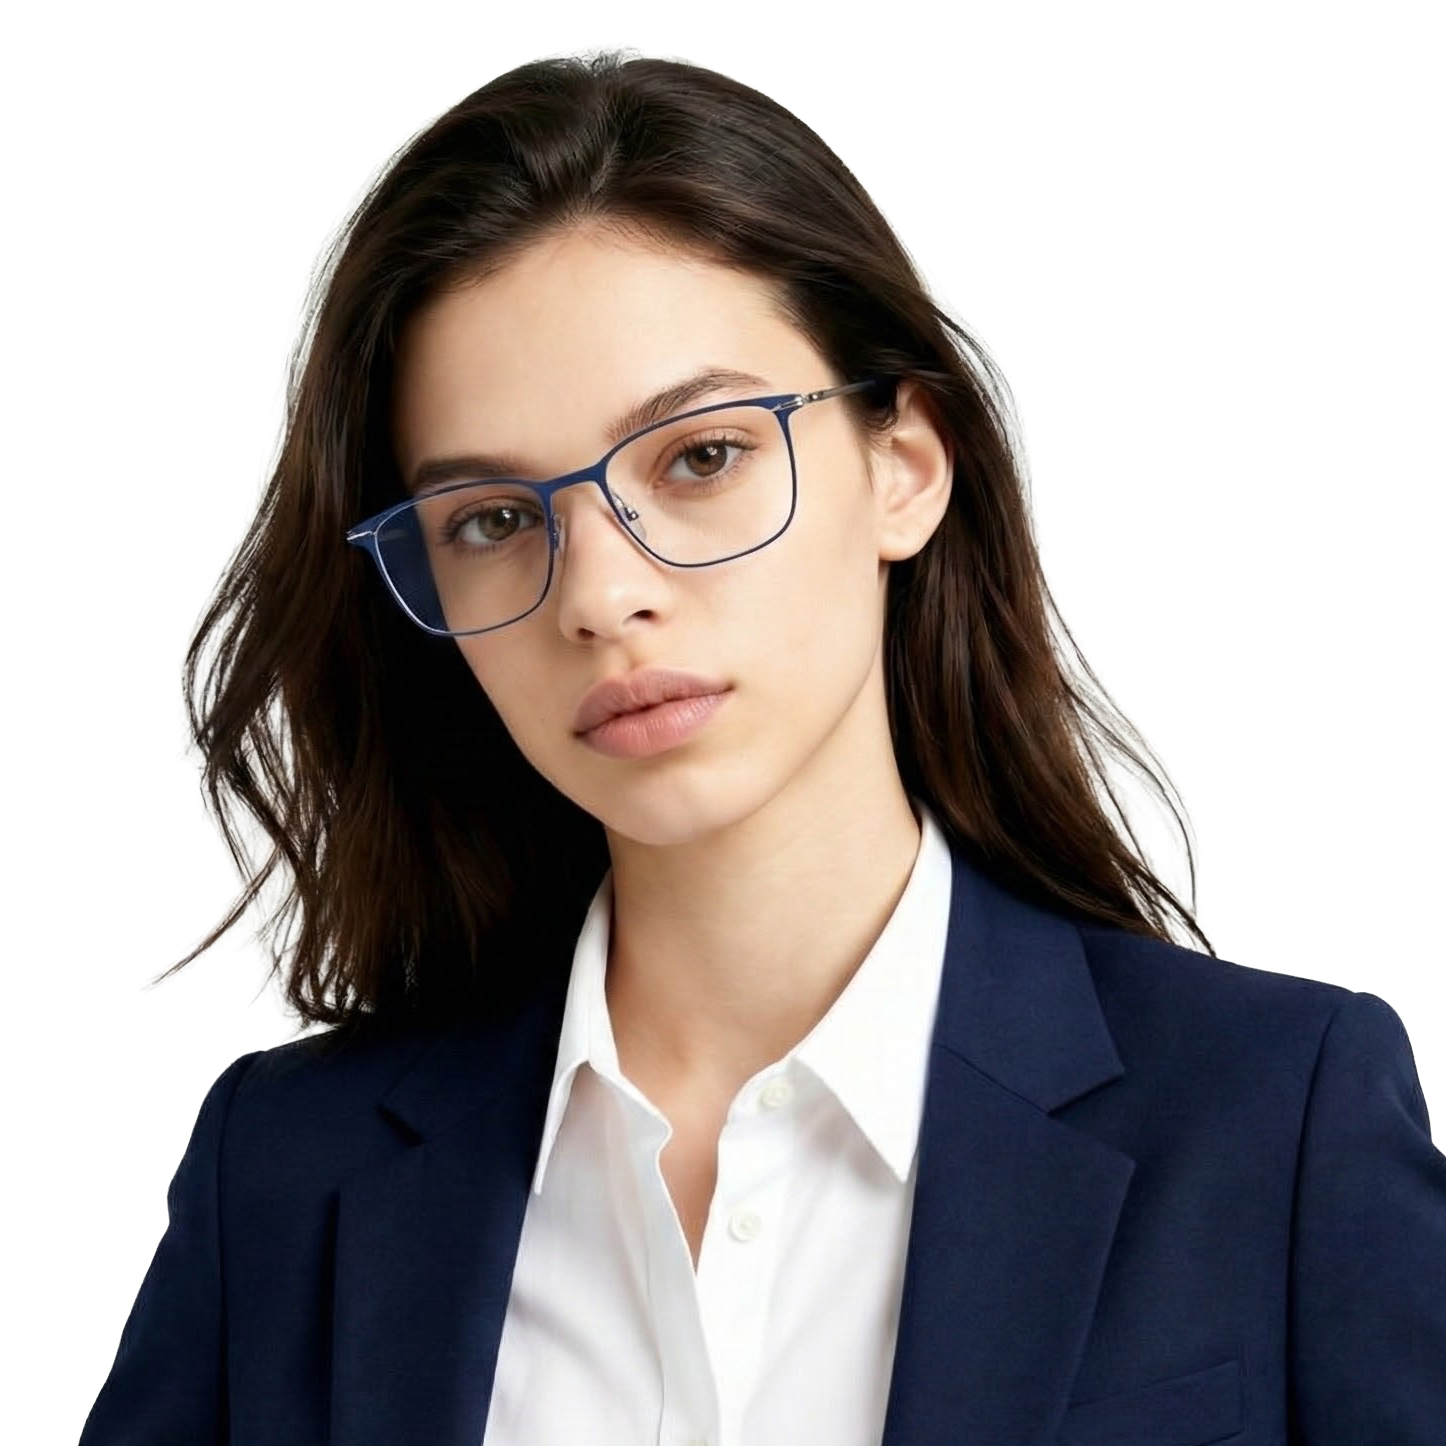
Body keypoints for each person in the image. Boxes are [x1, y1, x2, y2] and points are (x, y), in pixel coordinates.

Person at [80, 49, 1445, 1446]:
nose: (604, 595)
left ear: (904, 464)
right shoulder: (287, 1176)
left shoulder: (1273, 1122)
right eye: (491, 519)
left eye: (699, 455)